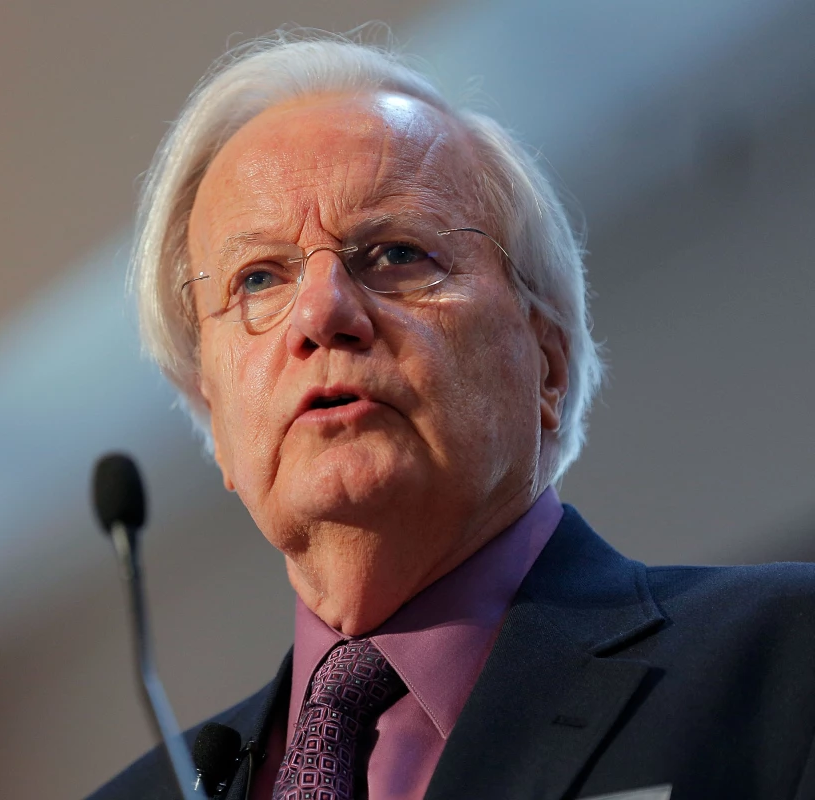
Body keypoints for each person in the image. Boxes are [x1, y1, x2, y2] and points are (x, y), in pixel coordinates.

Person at [89, 32, 815, 800]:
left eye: (396, 253)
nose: (323, 310)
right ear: (217, 417)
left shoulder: (785, 663)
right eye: (258, 277)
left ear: (547, 363)